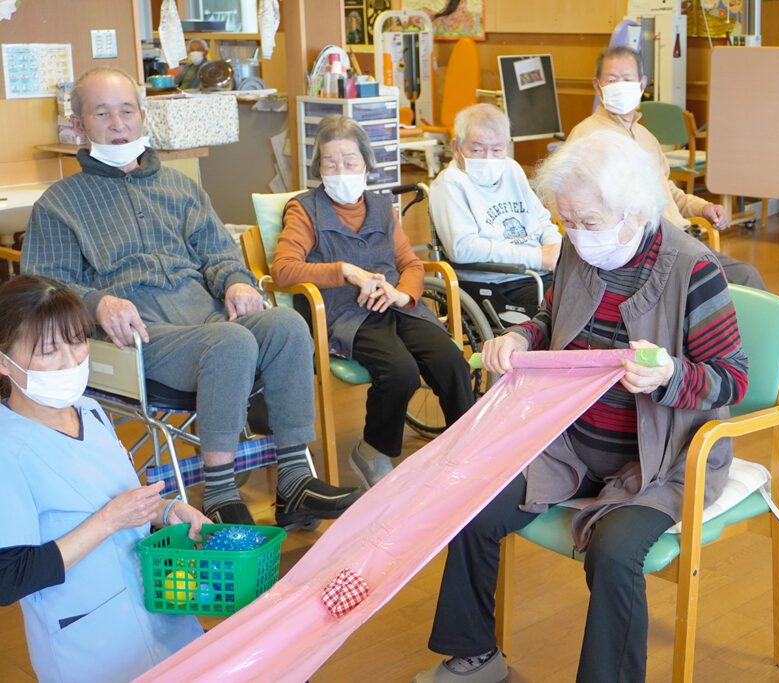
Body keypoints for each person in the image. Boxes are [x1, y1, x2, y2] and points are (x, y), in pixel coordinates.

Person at [414, 130, 749, 683]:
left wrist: (669, 376)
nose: (575, 235)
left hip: (658, 463)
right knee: (470, 503)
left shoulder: (695, 270)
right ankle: (476, 655)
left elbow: (731, 380)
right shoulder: (579, 247)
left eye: (588, 222)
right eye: (567, 221)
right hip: (569, 441)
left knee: (614, 556)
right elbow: (553, 318)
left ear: (635, 210)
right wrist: (521, 336)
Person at [23, 67, 361, 527]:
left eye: (126, 111)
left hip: (207, 322)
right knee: (232, 342)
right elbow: (43, 290)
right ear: (80, 125)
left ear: (143, 116)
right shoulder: (59, 205)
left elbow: (220, 254)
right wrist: (96, 301)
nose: (117, 124)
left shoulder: (182, 188)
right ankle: (221, 494)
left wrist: (236, 281)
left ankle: (295, 481)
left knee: (286, 324)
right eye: (102, 113)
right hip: (138, 339)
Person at [0, 274, 208, 683]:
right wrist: (109, 520)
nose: (71, 360)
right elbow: (9, 578)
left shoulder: (91, 411)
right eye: (48, 350)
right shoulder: (8, 449)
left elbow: (115, 496)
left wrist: (166, 511)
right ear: (4, 361)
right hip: (90, 646)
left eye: (77, 341)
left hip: (161, 613)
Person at [271, 114, 475, 488]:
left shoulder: (382, 207)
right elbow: (284, 270)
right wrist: (345, 271)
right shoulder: (304, 210)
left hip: (396, 303)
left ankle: (464, 453)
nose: (341, 170)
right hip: (346, 314)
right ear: (319, 168)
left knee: (451, 361)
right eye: (330, 163)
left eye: (350, 161)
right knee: (399, 372)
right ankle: (371, 450)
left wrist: (403, 293)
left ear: (366, 165)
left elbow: (410, 263)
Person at [568, 45, 767, 290]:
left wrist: (702, 207)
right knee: (739, 280)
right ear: (597, 86)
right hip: (643, 253)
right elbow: (577, 208)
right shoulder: (587, 137)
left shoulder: (646, 138)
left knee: (746, 278)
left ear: (642, 85)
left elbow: (667, 192)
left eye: (627, 79)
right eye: (611, 79)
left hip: (679, 240)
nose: (620, 84)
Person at [428, 103, 562, 308]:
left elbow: (541, 220)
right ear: (456, 148)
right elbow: (462, 248)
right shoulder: (450, 184)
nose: (488, 158)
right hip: (497, 282)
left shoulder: (511, 169)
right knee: (567, 308)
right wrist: (538, 257)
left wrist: (556, 250)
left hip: (537, 273)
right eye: (477, 150)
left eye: (497, 150)